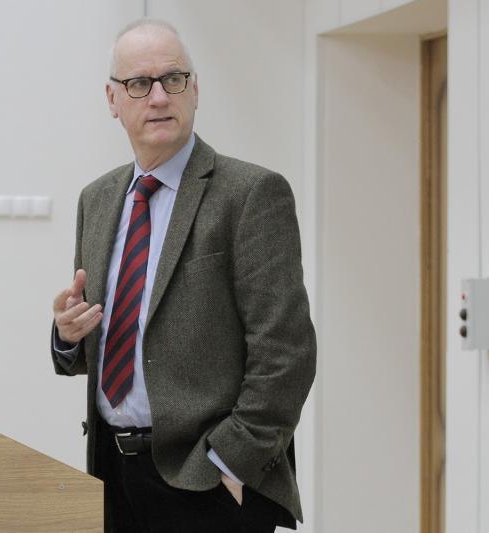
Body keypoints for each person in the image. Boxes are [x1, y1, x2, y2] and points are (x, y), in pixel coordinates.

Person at [51, 18, 316, 533]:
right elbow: (118, 338)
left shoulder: (250, 194)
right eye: (138, 83)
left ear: (194, 90)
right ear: (112, 99)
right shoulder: (97, 200)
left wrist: (230, 462)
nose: (158, 97)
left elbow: (287, 351)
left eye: (172, 79)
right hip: (112, 473)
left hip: (208, 481)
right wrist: (67, 336)